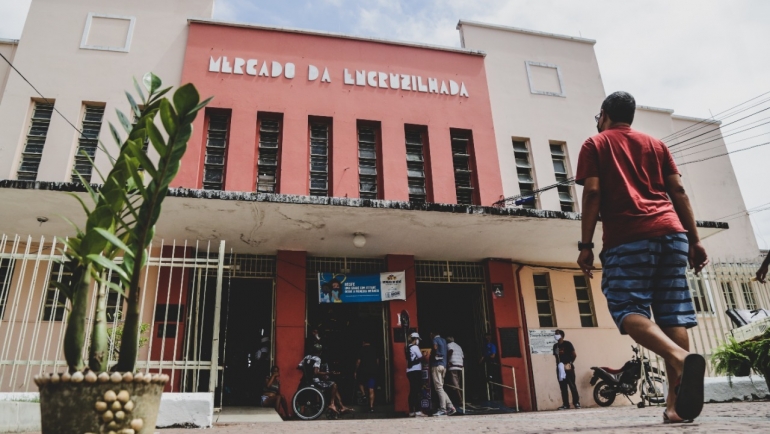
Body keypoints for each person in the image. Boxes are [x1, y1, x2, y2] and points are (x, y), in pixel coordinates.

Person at [576, 91, 709, 424]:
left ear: (604, 113)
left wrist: (586, 245)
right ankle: (675, 408)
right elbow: (678, 191)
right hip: (673, 233)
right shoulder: (657, 145)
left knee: (626, 308)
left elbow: (592, 192)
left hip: (629, 237)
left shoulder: (595, 144)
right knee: (672, 314)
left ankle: (681, 357)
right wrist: (695, 241)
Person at [298, 345, 351, 414]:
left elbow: (299, 366)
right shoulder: (317, 359)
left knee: (334, 388)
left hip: (306, 380)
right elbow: (316, 372)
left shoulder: (306, 357)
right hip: (315, 381)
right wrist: (329, 373)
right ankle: (332, 404)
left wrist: (307, 371)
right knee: (334, 384)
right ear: (320, 352)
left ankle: (341, 406)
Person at [429, 330, 456, 416]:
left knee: (438, 388)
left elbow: (435, 347)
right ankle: (451, 406)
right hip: (443, 366)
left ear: (432, 334)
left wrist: (431, 356)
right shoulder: (444, 340)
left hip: (436, 365)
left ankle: (442, 409)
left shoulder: (435, 340)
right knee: (441, 388)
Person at [552, 330, 580, 409]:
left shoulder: (568, 344)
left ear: (561, 335)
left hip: (568, 366)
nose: (555, 335)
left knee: (572, 385)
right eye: (555, 334)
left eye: (557, 334)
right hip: (560, 368)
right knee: (563, 387)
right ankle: (565, 404)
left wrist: (570, 363)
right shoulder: (555, 346)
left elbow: (574, 355)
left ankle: (576, 402)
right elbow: (556, 357)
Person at [355, 338, 379, 412]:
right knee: (371, 389)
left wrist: (355, 370)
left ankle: (363, 394)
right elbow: (377, 361)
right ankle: (371, 407)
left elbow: (358, 361)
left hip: (363, 371)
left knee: (360, 382)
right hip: (372, 371)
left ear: (363, 342)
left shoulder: (361, 350)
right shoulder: (374, 350)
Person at [406, 332, 427, 417]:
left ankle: (411, 411)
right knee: (417, 391)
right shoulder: (415, 347)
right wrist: (424, 355)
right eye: (418, 339)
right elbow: (420, 357)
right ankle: (418, 411)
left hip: (409, 371)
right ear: (415, 339)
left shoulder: (408, 347)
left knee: (412, 391)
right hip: (416, 370)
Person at [479, 332, 500, 400]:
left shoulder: (492, 345)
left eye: (489, 336)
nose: (487, 338)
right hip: (486, 361)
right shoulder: (485, 345)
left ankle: (495, 392)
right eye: (486, 336)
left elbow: (493, 355)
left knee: (492, 375)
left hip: (490, 361)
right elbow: (483, 354)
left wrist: (486, 357)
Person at [445, 336, 464, 409]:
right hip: (460, 365)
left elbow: (451, 351)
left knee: (455, 384)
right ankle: (460, 399)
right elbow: (463, 356)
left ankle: (460, 400)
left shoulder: (449, 345)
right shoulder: (459, 346)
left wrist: (447, 360)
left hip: (453, 365)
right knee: (457, 383)